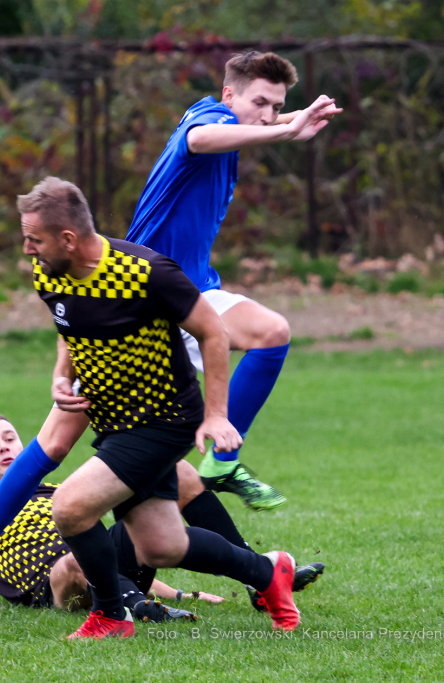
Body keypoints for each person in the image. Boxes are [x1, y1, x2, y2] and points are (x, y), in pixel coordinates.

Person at [15, 176, 307, 639]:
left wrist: (217, 414)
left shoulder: (146, 272)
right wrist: (60, 376)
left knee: (69, 507)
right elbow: (67, 324)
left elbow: (215, 333)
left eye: (34, 238)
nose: (27, 247)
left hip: (163, 419)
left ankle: (111, 615)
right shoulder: (49, 272)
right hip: (116, 421)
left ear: (68, 239)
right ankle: (270, 573)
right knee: (161, 547)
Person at [125, 51, 343, 510]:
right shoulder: (208, 117)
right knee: (62, 441)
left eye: (278, 107)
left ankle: (225, 462)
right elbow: (201, 138)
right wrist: (285, 130)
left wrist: (280, 127)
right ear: (229, 95)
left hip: (191, 292)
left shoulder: (234, 140)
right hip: (138, 296)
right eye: (260, 102)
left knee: (272, 332)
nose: (268, 115)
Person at [0, 412, 298, 622]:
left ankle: (259, 573)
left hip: (102, 573)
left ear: (25, 448)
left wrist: (186, 593)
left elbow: (109, 557)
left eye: (9, 438)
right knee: (73, 562)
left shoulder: (62, 494)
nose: (4, 445)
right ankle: (134, 610)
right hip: (55, 589)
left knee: (177, 478)